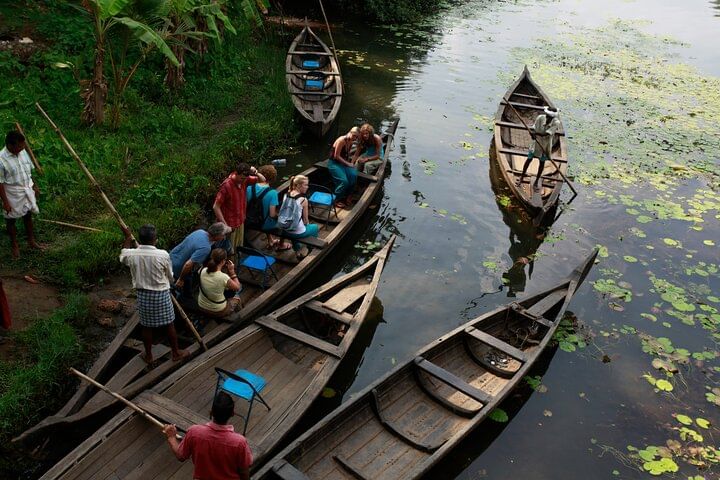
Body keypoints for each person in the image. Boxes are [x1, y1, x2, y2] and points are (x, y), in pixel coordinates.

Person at [120, 225, 189, 365]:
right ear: (155, 240)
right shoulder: (163, 254)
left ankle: (149, 355)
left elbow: (123, 254)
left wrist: (127, 237)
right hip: (161, 294)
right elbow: (170, 276)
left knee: (146, 326)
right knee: (169, 324)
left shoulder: (132, 254)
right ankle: (175, 353)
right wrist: (171, 281)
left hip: (143, 295)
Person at [163, 391, 252, 480]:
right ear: (232, 414)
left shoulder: (194, 432)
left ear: (211, 412)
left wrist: (171, 437)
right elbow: (244, 472)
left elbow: (181, 456)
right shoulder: (239, 442)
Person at [0, 130, 43, 258]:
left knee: (28, 215)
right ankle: (14, 245)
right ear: (10, 145)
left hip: (26, 188)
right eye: (19, 146)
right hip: (12, 192)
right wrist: (5, 202)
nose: (22, 148)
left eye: (23, 146)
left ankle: (31, 241)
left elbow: (28, 171)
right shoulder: (1, 159)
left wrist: (34, 185)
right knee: (11, 220)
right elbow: (0, 183)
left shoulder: (22, 152)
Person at [213, 163, 266, 254]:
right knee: (228, 251)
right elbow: (216, 206)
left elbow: (263, 180)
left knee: (238, 248)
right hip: (229, 224)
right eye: (241, 178)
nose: (243, 181)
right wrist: (224, 225)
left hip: (240, 221)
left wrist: (256, 172)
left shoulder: (245, 180)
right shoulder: (226, 186)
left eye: (245, 179)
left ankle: (236, 260)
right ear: (236, 173)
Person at [170, 222, 231, 293]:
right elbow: (188, 264)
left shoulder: (200, 232)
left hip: (171, 257)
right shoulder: (205, 248)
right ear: (217, 236)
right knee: (184, 289)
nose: (224, 237)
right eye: (223, 235)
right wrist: (181, 279)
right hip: (179, 268)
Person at [245, 165, 290, 250]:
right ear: (273, 178)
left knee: (264, 214)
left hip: (250, 221)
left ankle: (271, 240)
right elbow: (272, 215)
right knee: (286, 223)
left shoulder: (249, 188)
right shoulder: (272, 193)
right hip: (262, 224)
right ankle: (282, 245)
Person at [516, 106, 561, 191]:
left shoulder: (556, 122)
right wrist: (532, 133)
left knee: (542, 162)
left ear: (553, 117)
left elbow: (547, 134)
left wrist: (535, 134)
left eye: (550, 117)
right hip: (536, 143)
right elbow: (534, 127)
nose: (548, 118)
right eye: (547, 116)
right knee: (529, 159)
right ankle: (522, 177)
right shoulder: (540, 118)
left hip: (545, 145)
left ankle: (537, 181)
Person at [282, 175, 319, 259]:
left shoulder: (286, 195)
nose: (307, 187)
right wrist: (307, 226)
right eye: (305, 185)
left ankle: (297, 252)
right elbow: (305, 220)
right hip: (297, 233)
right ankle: (310, 248)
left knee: (294, 226)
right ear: (298, 185)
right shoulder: (303, 200)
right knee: (315, 227)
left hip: (285, 230)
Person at [197, 248, 242, 317]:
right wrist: (232, 272)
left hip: (201, 305)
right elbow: (237, 287)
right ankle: (241, 316)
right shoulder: (223, 277)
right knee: (237, 295)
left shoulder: (202, 270)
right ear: (223, 261)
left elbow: (212, 276)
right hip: (218, 310)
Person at [327, 127, 359, 209]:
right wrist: (348, 164)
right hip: (334, 163)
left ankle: (348, 195)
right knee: (344, 181)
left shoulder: (351, 141)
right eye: (354, 135)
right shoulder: (341, 140)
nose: (355, 138)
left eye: (356, 137)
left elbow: (347, 154)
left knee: (353, 175)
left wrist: (350, 163)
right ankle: (335, 199)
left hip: (343, 163)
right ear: (350, 132)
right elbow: (336, 156)